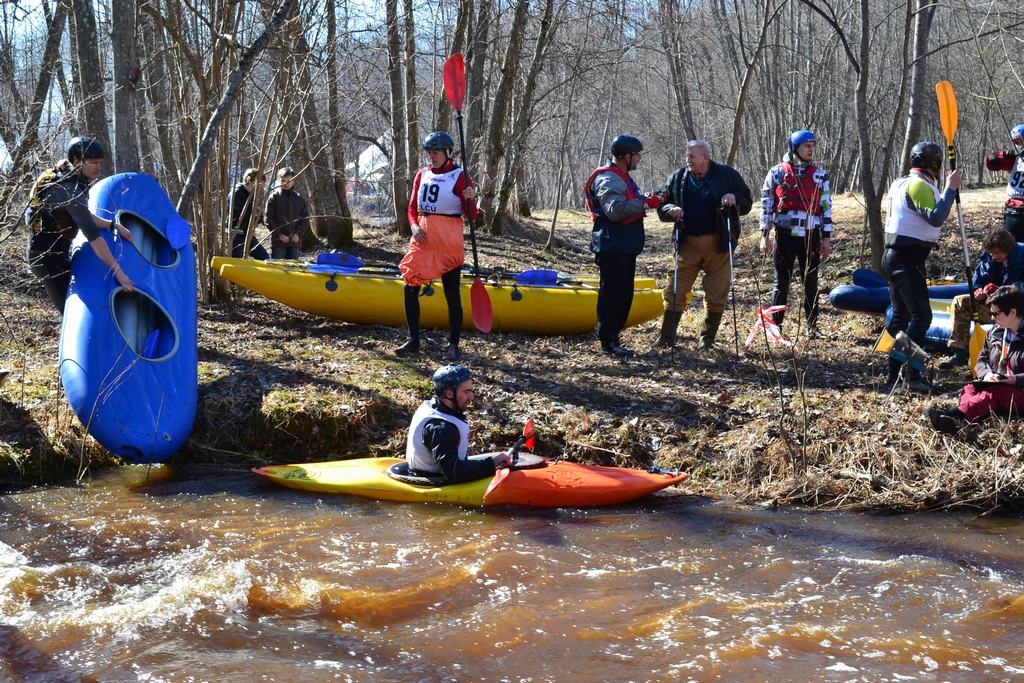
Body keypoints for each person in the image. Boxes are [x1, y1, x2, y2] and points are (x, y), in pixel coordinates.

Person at [654, 139, 753, 350]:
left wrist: (734, 197)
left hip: (719, 243)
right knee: (675, 288)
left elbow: (747, 201)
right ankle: (666, 338)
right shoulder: (678, 177)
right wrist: (669, 209)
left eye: (692, 156)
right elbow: (661, 204)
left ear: (705, 158)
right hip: (687, 242)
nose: (687, 160)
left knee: (717, 292)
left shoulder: (727, 175)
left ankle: (707, 341)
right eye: (686, 156)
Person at [881, 140, 963, 391]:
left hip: (897, 256)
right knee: (921, 316)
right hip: (907, 258)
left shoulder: (901, 182)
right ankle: (912, 375)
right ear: (934, 164)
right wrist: (950, 189)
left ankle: (893, 376)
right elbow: (936, 217)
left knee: (901, 316)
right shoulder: (917, 184)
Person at [25, 136, 134, 313]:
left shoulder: (71, 179)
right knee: (70, 311)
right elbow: (93, 236)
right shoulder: (68, 189)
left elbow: (83, 215)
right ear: (77, 162)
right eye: (93, 162)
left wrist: (113, 225)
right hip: (44, 259)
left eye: (99, 162)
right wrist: (120, 275)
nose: (98, 168)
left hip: (58, 254)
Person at [397, 131, 476, 360]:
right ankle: (413, 340)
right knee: (409, 285)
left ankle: (453, 344)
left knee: (451, 294)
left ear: (448, 153)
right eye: (429, 152)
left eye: (436, 152)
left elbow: (472, 216)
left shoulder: (460, 176)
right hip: (422, 238)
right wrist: (413, 226)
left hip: (448, 239)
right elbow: (412, 207)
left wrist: (471, 199)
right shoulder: (422, 174)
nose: (432, 156)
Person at [584, 134, 662, 357]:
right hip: (612, 246)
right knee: (613, 296)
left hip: (623, 246)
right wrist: (646, 203)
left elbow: (628, 202)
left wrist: (648, 198)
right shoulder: (608, 178)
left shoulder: (622, 176)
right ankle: (608, 342)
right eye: (636, 155)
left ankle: (613, 338)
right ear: (625, 156)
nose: (639, 159)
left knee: (623, 295)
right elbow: (615, 211)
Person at [758, 130, 833, 336]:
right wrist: (764, 235)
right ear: (794, 148)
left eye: (812, 146)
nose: (810, 149)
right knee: (781, 282)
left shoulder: (820, 175)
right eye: (806, 146)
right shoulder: (777, 173)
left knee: (811, 282)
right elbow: (767, 205)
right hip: (784, 235)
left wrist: (826, 239)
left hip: (811, 236)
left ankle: (812, 326)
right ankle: (776, 328)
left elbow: (826, 207)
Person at [928, 285, 1024, 434]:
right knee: (971, 388)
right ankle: (960, 415)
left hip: (1018, 389)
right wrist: (986, 374)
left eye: (996, 313)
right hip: (998, 383)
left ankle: (959, 418)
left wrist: (1012, 380)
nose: (992, 318)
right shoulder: (995, 332)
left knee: (995, 392)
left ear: (1013, 312)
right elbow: (982, 358)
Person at [405, 364, 511, 482]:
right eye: (466, 392)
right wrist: (491, 465)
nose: (471, 397)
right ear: (449, 393)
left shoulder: (435, 405)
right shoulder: (441, 427)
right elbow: (453, 472)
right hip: (434, 482)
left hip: (437, 474)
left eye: (471, 390)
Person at [937, 229, 1024, 369]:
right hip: (995, 307)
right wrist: (978, 291)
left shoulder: (1021, 257)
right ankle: (958, 353)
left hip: (1017, 311)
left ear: (1008, 249)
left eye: (997, 253)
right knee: (961, 302)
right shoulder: (989, 260)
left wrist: (1001, 291)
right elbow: (977, 282)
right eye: (992, 253)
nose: (994, 256)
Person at [983, 124, 1024, 241]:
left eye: (1021, 141)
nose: (1019, 145)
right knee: (1010, 249)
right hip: (1013, 211)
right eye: (1016, 142)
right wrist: (1005, 154)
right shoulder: (1016, 159)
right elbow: (990, 163)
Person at [264, 166, 309, 260]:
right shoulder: (274, 197)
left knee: (292, 268)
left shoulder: (299, 198)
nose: (286, 183)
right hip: (278, 242)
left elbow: (304, 219)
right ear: (279, 180)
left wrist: (298, 234)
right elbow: (268, 218)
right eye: (283, 180)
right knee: (277, 268)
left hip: (295, 242)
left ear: (294, 181)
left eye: (289, 180)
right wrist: (280, 235)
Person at [229, 167, 269, 260]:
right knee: (238, 262)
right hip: (236, 235)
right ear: (251, 181)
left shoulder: (250, 194)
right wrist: (252, 212)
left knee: (265, 258)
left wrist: (259, 215)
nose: (261, 188)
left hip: (247, 233)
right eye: (260, 185)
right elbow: (235, 217)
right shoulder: (237, 193)